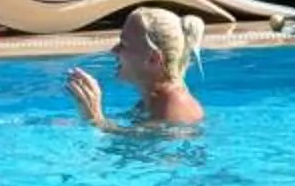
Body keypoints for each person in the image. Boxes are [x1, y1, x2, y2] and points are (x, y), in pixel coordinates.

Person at [66, 7, 206, 130]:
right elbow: (131, 133)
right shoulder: (151, 101)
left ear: (153, 59)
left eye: (124, 44)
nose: (114, 50)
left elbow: (140, 153)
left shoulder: (174, 110)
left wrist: (95, 117)